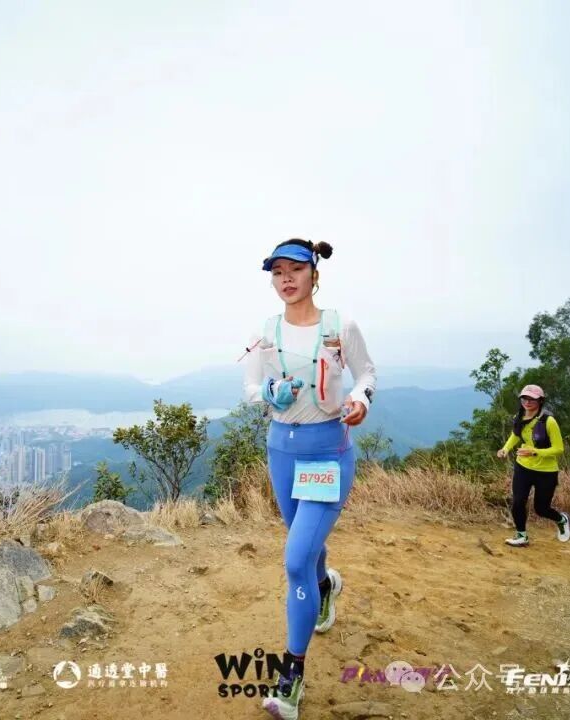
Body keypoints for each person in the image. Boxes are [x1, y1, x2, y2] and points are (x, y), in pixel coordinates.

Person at [242, 238, 376, 720]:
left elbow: (366, 373)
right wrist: (269, 392)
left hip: (326, 452)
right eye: (277, 272)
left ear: (314, 274)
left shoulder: (341, 326)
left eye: (295, 269)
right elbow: (250, 387)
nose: (286, 279)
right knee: (306, 546)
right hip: (281, 450)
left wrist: (361, 399)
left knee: (296, 558)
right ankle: (326, 586)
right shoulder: (266, 331)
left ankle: (291, 680)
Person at [495, 385, 570, 547]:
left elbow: (559, 449)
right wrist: (505, 449)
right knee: (517, 502)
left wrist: (535, 452)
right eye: (524, 398)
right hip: (523, 467)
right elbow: (516, 435)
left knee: (541, 509)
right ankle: (521, 535)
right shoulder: (519, 416)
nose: (527, 402)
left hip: (546, 471)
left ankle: (561, 519)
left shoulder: (548, 421)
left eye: (532, 399)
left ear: (540, 401)